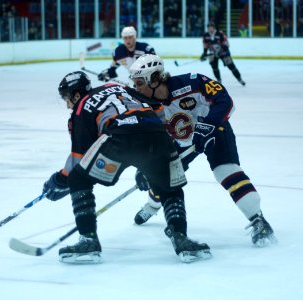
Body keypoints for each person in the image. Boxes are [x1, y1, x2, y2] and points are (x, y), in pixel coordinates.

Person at [42, 71, 212, 264]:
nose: (67, 105)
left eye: (67, 99)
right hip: (157, 135)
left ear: (76, 94)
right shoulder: (120, 87)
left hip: (120, 139)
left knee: (78, 179)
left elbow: (79, 158)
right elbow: (158, 108)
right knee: (168, 185)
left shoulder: (81, 108)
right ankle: (181, 237)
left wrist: (60, 180)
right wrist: (149, 165)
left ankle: (88, 240)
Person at [128, 54, 277, 247]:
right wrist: (145, 166)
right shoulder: (145, 104)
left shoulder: (192, 82)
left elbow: (225, 101)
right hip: (182, 140)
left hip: (215, 131)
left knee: (226, 172)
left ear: (155, 79)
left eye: (140, 83)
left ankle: (259, 220)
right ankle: (151, 205)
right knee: (162, 174)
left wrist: (207, 126)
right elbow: (149, 136)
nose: (136, 88)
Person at [201, 22, 246, 86]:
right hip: (213, 53)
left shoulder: (220, 33)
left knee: (231, 66)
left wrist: (221, 50)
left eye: (211, 28)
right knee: (214, 67)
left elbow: (226, 44)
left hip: (223, 52)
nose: (210, 29)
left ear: (214, 28)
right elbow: (205, 45)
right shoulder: (206, 35)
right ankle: (219, 80)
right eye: (209, 28)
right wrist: (204, 54)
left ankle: (239, 78)